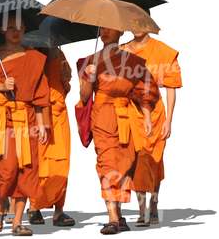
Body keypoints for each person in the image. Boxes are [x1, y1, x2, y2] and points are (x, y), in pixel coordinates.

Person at [78, 27, 160, 235]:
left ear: (121, 31)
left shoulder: (131, 61)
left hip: (126, 116)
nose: (105, 31)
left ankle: (119, 214)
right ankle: (112, 217)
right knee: (106, 164)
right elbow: (85, 96)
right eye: (102, 27)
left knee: (125, 164)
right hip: (103, 116)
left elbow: (144, 91)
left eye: (110, 27)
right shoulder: (90, 61)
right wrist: (90, 77)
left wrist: (148, 115)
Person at [0, 12, 50, 236]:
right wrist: (1, 87)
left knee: (27, 170)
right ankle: (0, 206)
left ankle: (17, 222)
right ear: (2, 31)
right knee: (7, 169)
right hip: (4, 120)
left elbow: (39, 94)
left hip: (27, 118)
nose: (15, 31)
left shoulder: (34, 58)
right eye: (10, 27)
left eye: (19, 27)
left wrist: (41, 124)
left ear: (25, 29)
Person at [120, 24, 182, 225]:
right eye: (133, 22)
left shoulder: (162, 51)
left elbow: (172, 87)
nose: (137, 27)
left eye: (141, 22)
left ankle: (153, 205)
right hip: (132, 112)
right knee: (138, 159)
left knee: (155, 160)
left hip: (156, 114)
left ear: (148, 24)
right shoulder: (122, 50)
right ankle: (140, 210)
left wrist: (169, 121)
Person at [27, 48, 75, 227]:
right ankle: (34, 206)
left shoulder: (59, 53)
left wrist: (66, 75)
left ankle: (59, 210)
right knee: (39, 162)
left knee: (62, 162)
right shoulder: (30, 53)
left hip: (59, 114)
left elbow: (65, 85)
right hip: (38, 114)